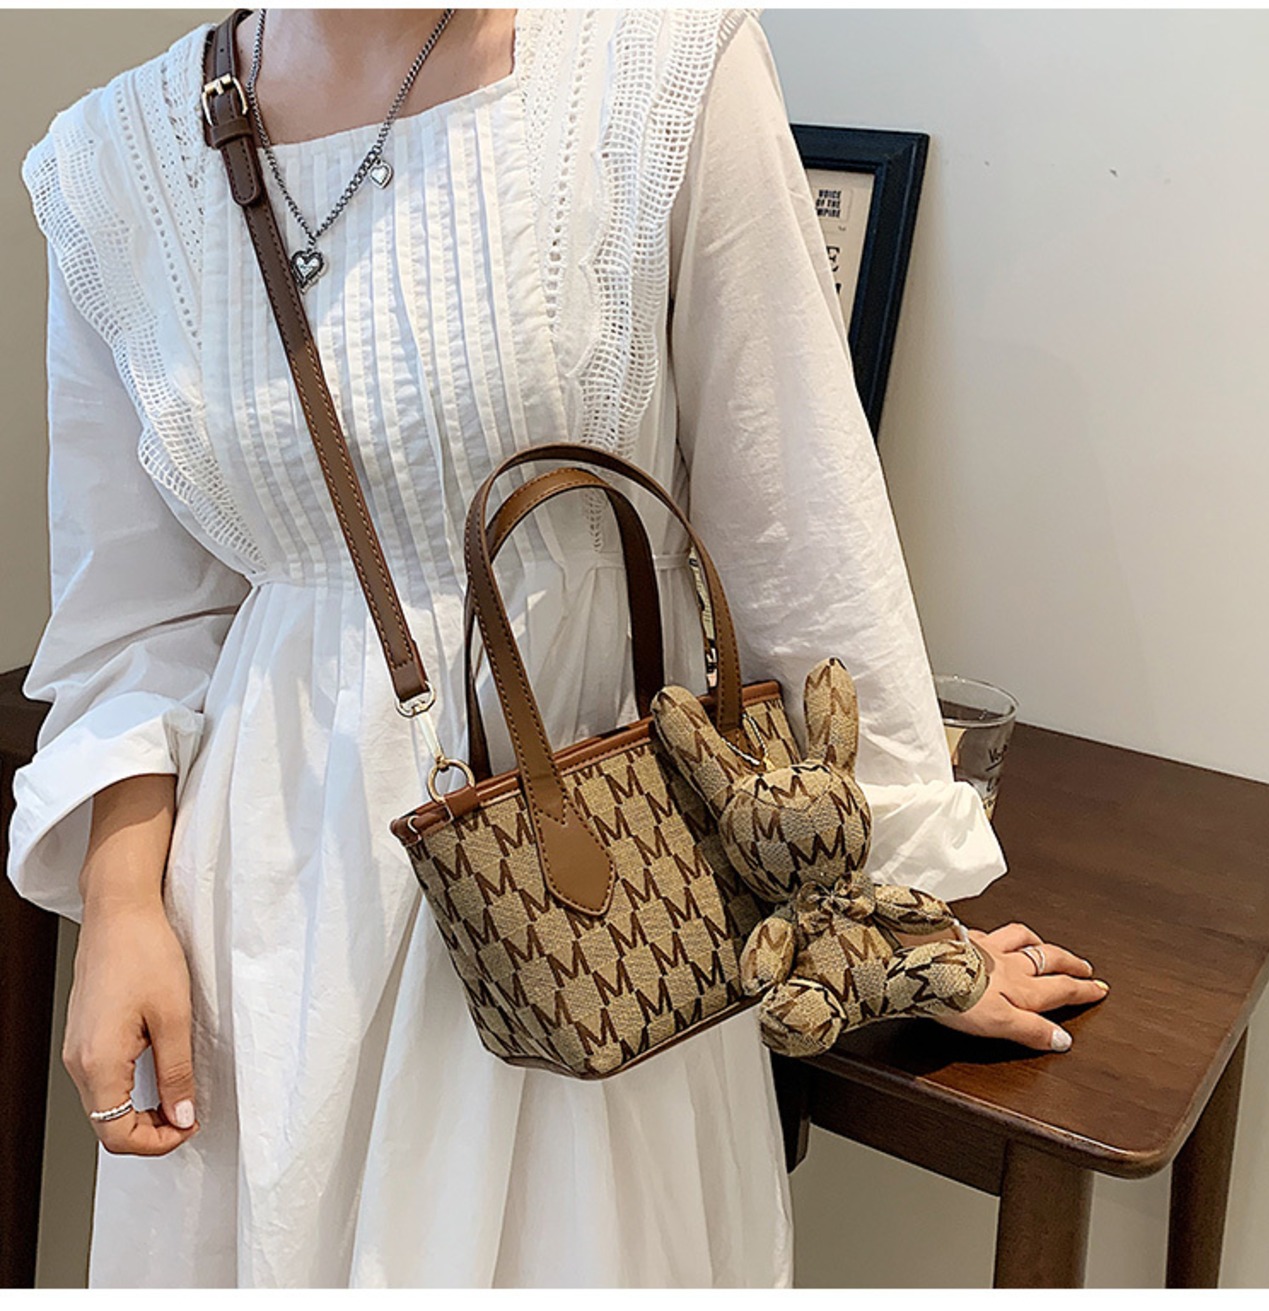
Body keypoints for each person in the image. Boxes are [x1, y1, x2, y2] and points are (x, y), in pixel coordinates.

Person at [8, 7, 1107, 1289]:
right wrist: (121, 909)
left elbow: (798, 528)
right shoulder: (112, 162)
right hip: (266, 915)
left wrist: (894, 919)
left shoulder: (658, 65)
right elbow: (136, 619)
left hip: (602, 896)